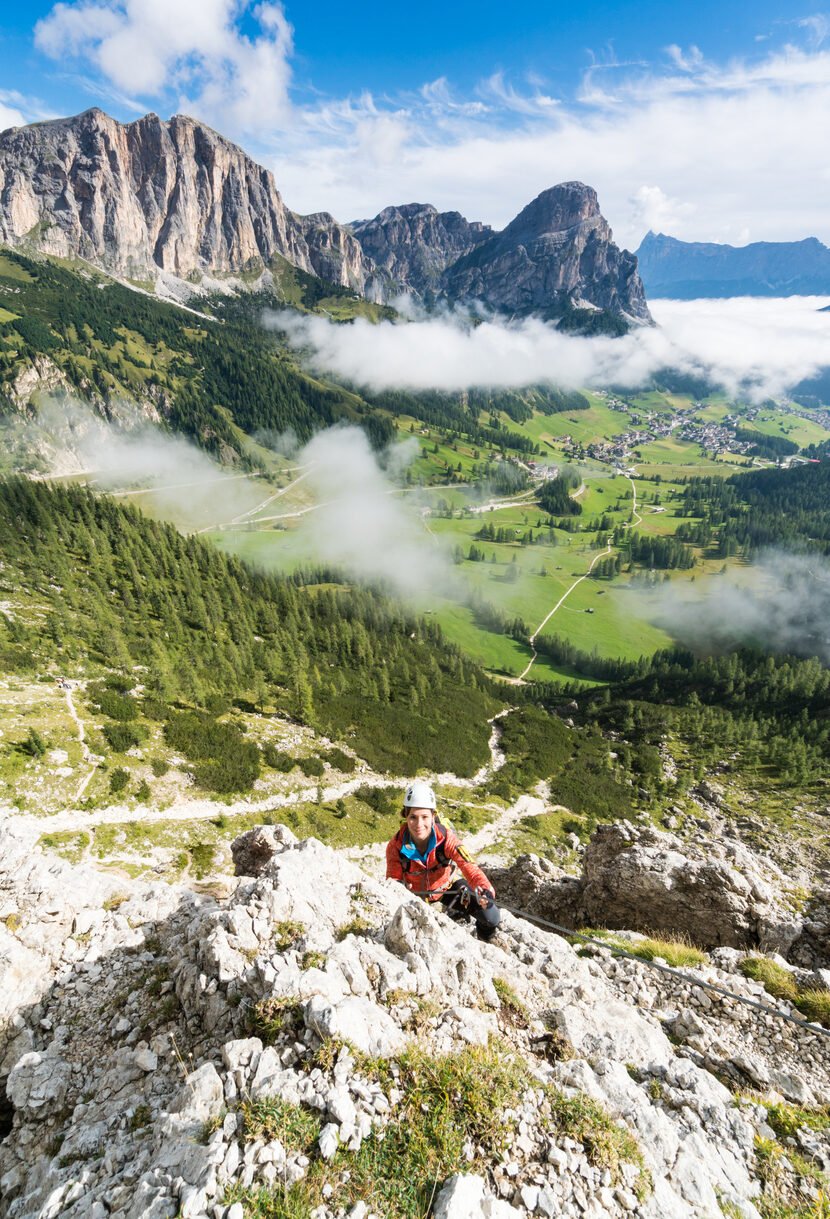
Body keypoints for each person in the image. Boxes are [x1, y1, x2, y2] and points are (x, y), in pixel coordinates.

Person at [386, 779, 501, 941]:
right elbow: (392, 882)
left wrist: (485, 891)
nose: (419, 824)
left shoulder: (446, 839)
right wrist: (401, 889)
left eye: (425, 817)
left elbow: (469, 868)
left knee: (491, 916)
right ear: (406, 816)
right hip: (414, 897)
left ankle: (486, 941)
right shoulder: (396, 846)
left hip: (446, 890)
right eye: (413, 817)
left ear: (433, 816)